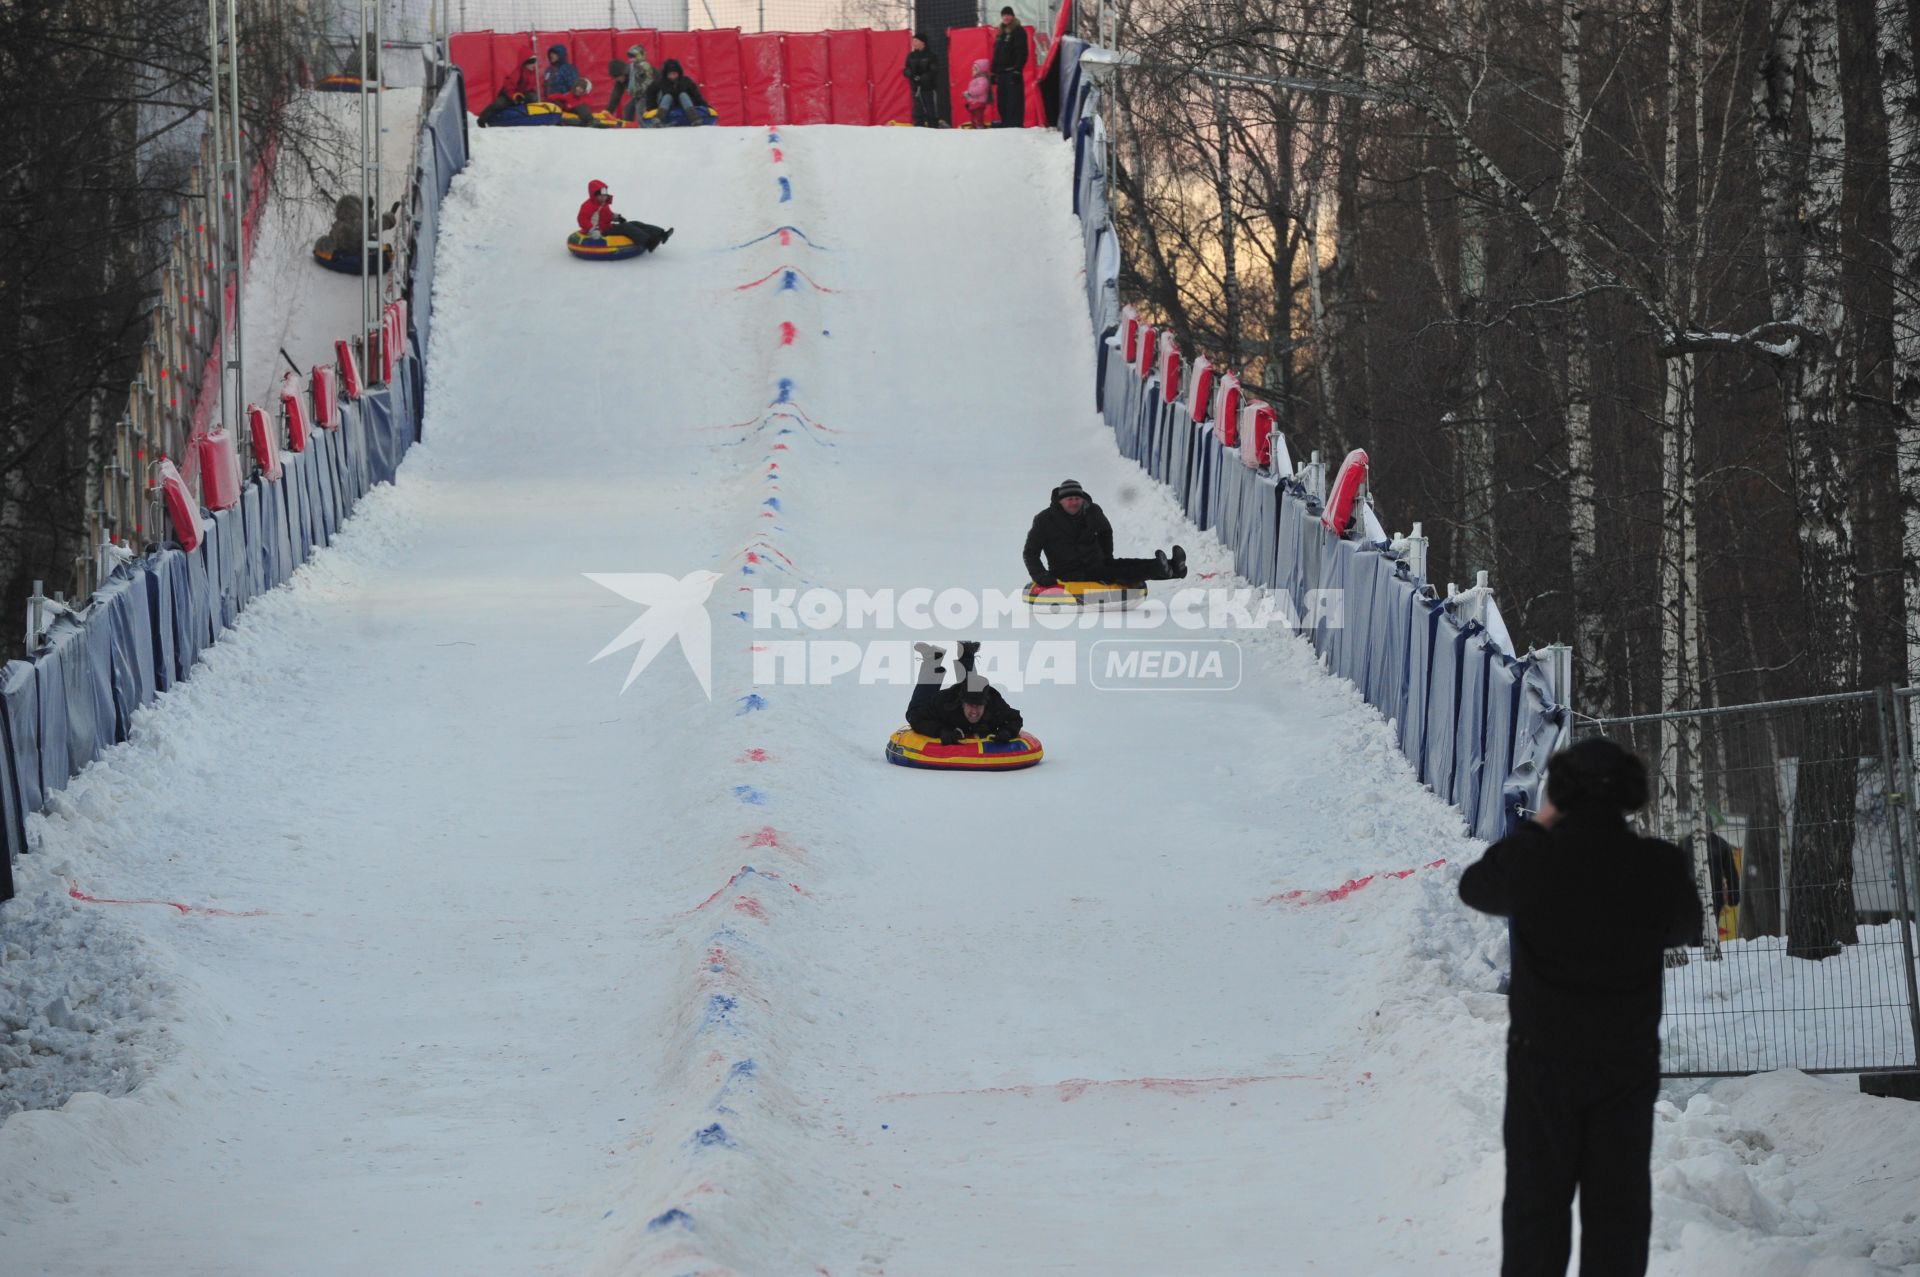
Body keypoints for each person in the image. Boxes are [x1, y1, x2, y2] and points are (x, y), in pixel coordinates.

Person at [1458, 738, 1705, 1277]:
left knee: (1535, 1206)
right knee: (1617, 1212)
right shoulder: (1657, 866)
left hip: (1542, 1061)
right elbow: (1685, 927)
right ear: (1631, 793)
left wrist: (1537, 826)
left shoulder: (1532, 859)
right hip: (1625, 1064)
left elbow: (1476, 887)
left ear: (1560, 793)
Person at [1023, 479, 1187, 586]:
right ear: (1060, 501)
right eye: (1069, 499)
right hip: (1069, 573)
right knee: (1119, 572)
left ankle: (1173, 566)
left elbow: (1105, 531)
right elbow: (1030, 552)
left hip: (1095, 564)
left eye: (1077, 499)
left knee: (1123, 564)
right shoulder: (1045, 520)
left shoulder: (1092, 511)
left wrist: (1105, 555)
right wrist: (1041, 576)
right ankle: (1162, 568)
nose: (1074, 503)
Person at [906, 642, 1023, 744]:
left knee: (972, 685)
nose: (974, 711)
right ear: (962, 704)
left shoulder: (995, 704)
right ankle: (932, 660)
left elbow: (1015, 719)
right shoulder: (946, 703)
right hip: (950, 702)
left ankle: (966, 652)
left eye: (978, 706)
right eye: (970, 705)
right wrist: (940, 730)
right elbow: (917, 718)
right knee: (913, 711)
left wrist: (1007, 731)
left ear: (986, 704)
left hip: (971, 693)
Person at [577, 180, 671, 252]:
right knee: (626, 227)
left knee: (634, 223)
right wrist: (593, 230)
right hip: (600, 232)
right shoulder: (588, 205)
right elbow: (582, 219)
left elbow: (607, 216)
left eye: (605, 195)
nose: (604, 198)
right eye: (601, 196)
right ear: (594, 195)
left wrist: (617, 217)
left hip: (607, 227)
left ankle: (661, 234)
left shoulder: (603, 204)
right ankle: (648, 243)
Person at [319, 194, 399, 257]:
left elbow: (330, 242)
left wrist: (322, 243)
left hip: (343, 253)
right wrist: (390, 216)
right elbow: (378, 225)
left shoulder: (337, 225)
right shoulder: (357, 224)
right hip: (357, 252)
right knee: (374, 242)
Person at [990, 6, 1027, 128]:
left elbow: (1021, 52)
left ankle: (1015, 125)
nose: (1005, 17)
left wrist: (1017, 69)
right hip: (1001, 73)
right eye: (1004, 15)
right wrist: (994, 72)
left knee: (1014, 101)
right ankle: (1006, 124)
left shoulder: (1018, 31)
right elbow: (997, 53)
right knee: (1002, 102)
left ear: (1012, 16)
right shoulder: (1000, 33)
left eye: (1008, 15)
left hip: (1012, 72)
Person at [477, 54, 539, 127]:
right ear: (526, 63)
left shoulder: (533, 74)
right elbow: (509, 87)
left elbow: (532, 88)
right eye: (532, 62)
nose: (534, 65)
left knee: (533, 97)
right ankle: (482, 119)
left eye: (535, 62)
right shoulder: (517, 72)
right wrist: (515, 96)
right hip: (509, 95)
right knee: (498, 104)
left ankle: (530, 117)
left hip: (522, 96)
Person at [649, 60, 710, 126]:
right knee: (668, 96)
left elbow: (696, 95)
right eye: (670, 74)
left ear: (678, 73)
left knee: (683, 95)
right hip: (667, 105)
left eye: (674, 74)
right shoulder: (661, 82)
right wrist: (652, 108)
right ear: (666, 74)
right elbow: (650, 94)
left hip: (684, 104)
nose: (672, 76)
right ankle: (659, 118)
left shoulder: (686, 81)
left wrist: (705, 106)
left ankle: (694, 118)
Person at [904, 33, 941, 128]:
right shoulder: (911, 56)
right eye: (913, 40)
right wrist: (910, 74)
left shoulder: (931, 55)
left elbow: (934, 70)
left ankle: (933, 129)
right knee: (917, 112)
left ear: (922, 42)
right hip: (915, 89)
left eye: (916, 40)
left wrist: (923, 78)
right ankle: (918, 131)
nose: (913, 43)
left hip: (928, 89)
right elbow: (906, 69)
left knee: (931, 111)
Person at [616, 44, 655, 121]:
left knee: (640, 111)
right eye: (630, 57)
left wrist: (641, 89)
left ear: (639, 55)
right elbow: (631, 78)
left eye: (633, 57)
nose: (631, 59)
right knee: (628, 109)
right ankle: (629, 126)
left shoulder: (644, 65)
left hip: (644, 96)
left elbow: (649, 80)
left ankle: (645, 127)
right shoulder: (632, 66)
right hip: (636, 95)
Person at [962, 58, 991, 129]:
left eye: (975, 69)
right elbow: (972, 93)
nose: (973, 71)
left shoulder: (983, 80)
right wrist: (967, 96)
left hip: (979, 102)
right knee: (973, 117)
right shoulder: (975, 80)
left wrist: (969, 92)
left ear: (981, 70)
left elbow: (979, 90)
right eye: (972, 69)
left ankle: (979, 127)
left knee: (978, 117)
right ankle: (975, 127)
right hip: (973, 103)